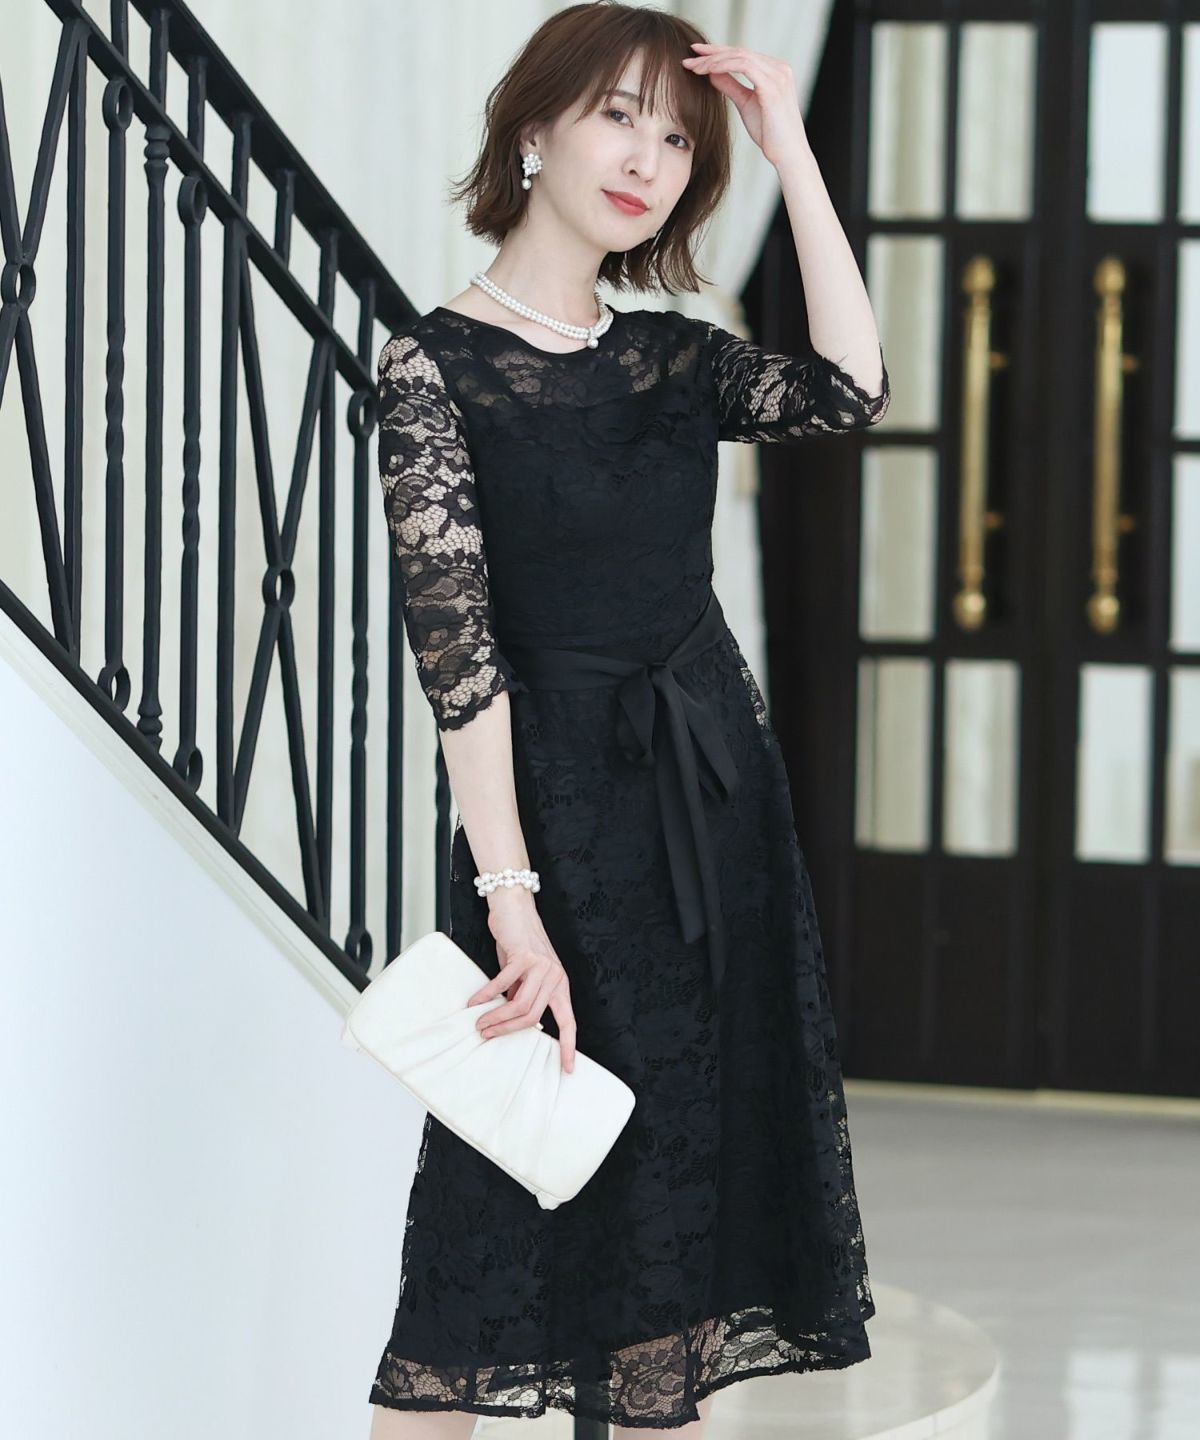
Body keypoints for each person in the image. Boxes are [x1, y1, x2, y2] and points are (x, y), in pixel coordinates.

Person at [367, 3, 890, 1436]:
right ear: (534, 130)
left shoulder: (675, 359)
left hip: (711, 817)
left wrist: (789, 148)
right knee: (480, 1235)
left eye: (677, 139)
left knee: (673, 1236)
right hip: (551, 833)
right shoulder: (432, 370)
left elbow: (849, 389)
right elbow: (460, 664)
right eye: (618, 117)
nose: (648, 159)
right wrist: (511, 896)